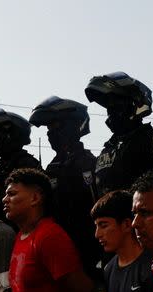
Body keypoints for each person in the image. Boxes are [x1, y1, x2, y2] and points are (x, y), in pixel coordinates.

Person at [29, 96, 100, 279]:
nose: (50, 133)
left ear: (72, 126)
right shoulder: (51, 167)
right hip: (55, 248)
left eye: (55, 127)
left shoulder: (87, 162)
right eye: (48, 129)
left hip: (85, 248)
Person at [85, 72, 153, 197]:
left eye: (115, 104)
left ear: (134, 104)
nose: (111, 110)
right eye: (108, 106)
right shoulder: (109, 147)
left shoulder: (149, 138)